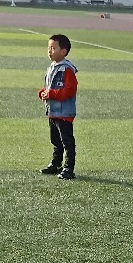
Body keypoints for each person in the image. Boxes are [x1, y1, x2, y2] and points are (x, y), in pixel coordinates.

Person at [39, 33, 78, 181]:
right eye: (49, 48)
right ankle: (56, 163)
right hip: (53, 112)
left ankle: (69, 167)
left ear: (63, 51)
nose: (50, 51)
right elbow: (49, 87)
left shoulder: (67, 69)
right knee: (55, 140)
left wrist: (51, 94)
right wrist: (43, 93)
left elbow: (69, 90)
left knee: (67, 141)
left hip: (64, 113)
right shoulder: (52, 67)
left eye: (53, 48)